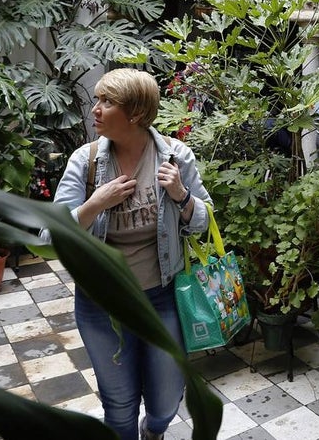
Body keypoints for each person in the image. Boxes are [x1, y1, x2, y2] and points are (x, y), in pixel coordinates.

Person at [46, 69, 212, 440]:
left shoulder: (175, 156)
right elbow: (49, 233)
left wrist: (182, 197)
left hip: (163, 297)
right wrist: (95, 203)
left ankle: (154, 431)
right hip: (101, 304)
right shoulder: (85, 162)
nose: (95, 110)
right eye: (96, 100)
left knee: (167, 398)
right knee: (118, 404)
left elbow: (204, 220)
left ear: (135, 112)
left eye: (107, 102)